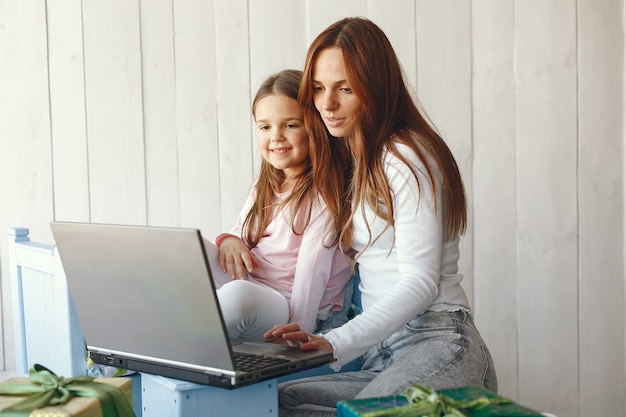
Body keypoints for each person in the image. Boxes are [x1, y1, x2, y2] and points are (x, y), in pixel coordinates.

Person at [263, 18, 498, 416]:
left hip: (438, 342)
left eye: (345, 89)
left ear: (376, 85)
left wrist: (336, 341)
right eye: (318, 89)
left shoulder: (406, 154)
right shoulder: (358, 158)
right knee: (280, 403)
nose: (327, 104)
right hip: (384, 353)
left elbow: (422, 283)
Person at [214, 69, 352, 340]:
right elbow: (241, 235)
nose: (275, 136)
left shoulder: (324, 192)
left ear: (315, 127)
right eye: (265, 127)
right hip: (256, 283)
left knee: (237, 298)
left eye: (290, 125)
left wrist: (301, 328)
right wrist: (229, 239)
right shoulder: (266, 184)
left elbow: (314, 270)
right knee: (194, 259)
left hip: (289, 302)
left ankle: (183, 334)